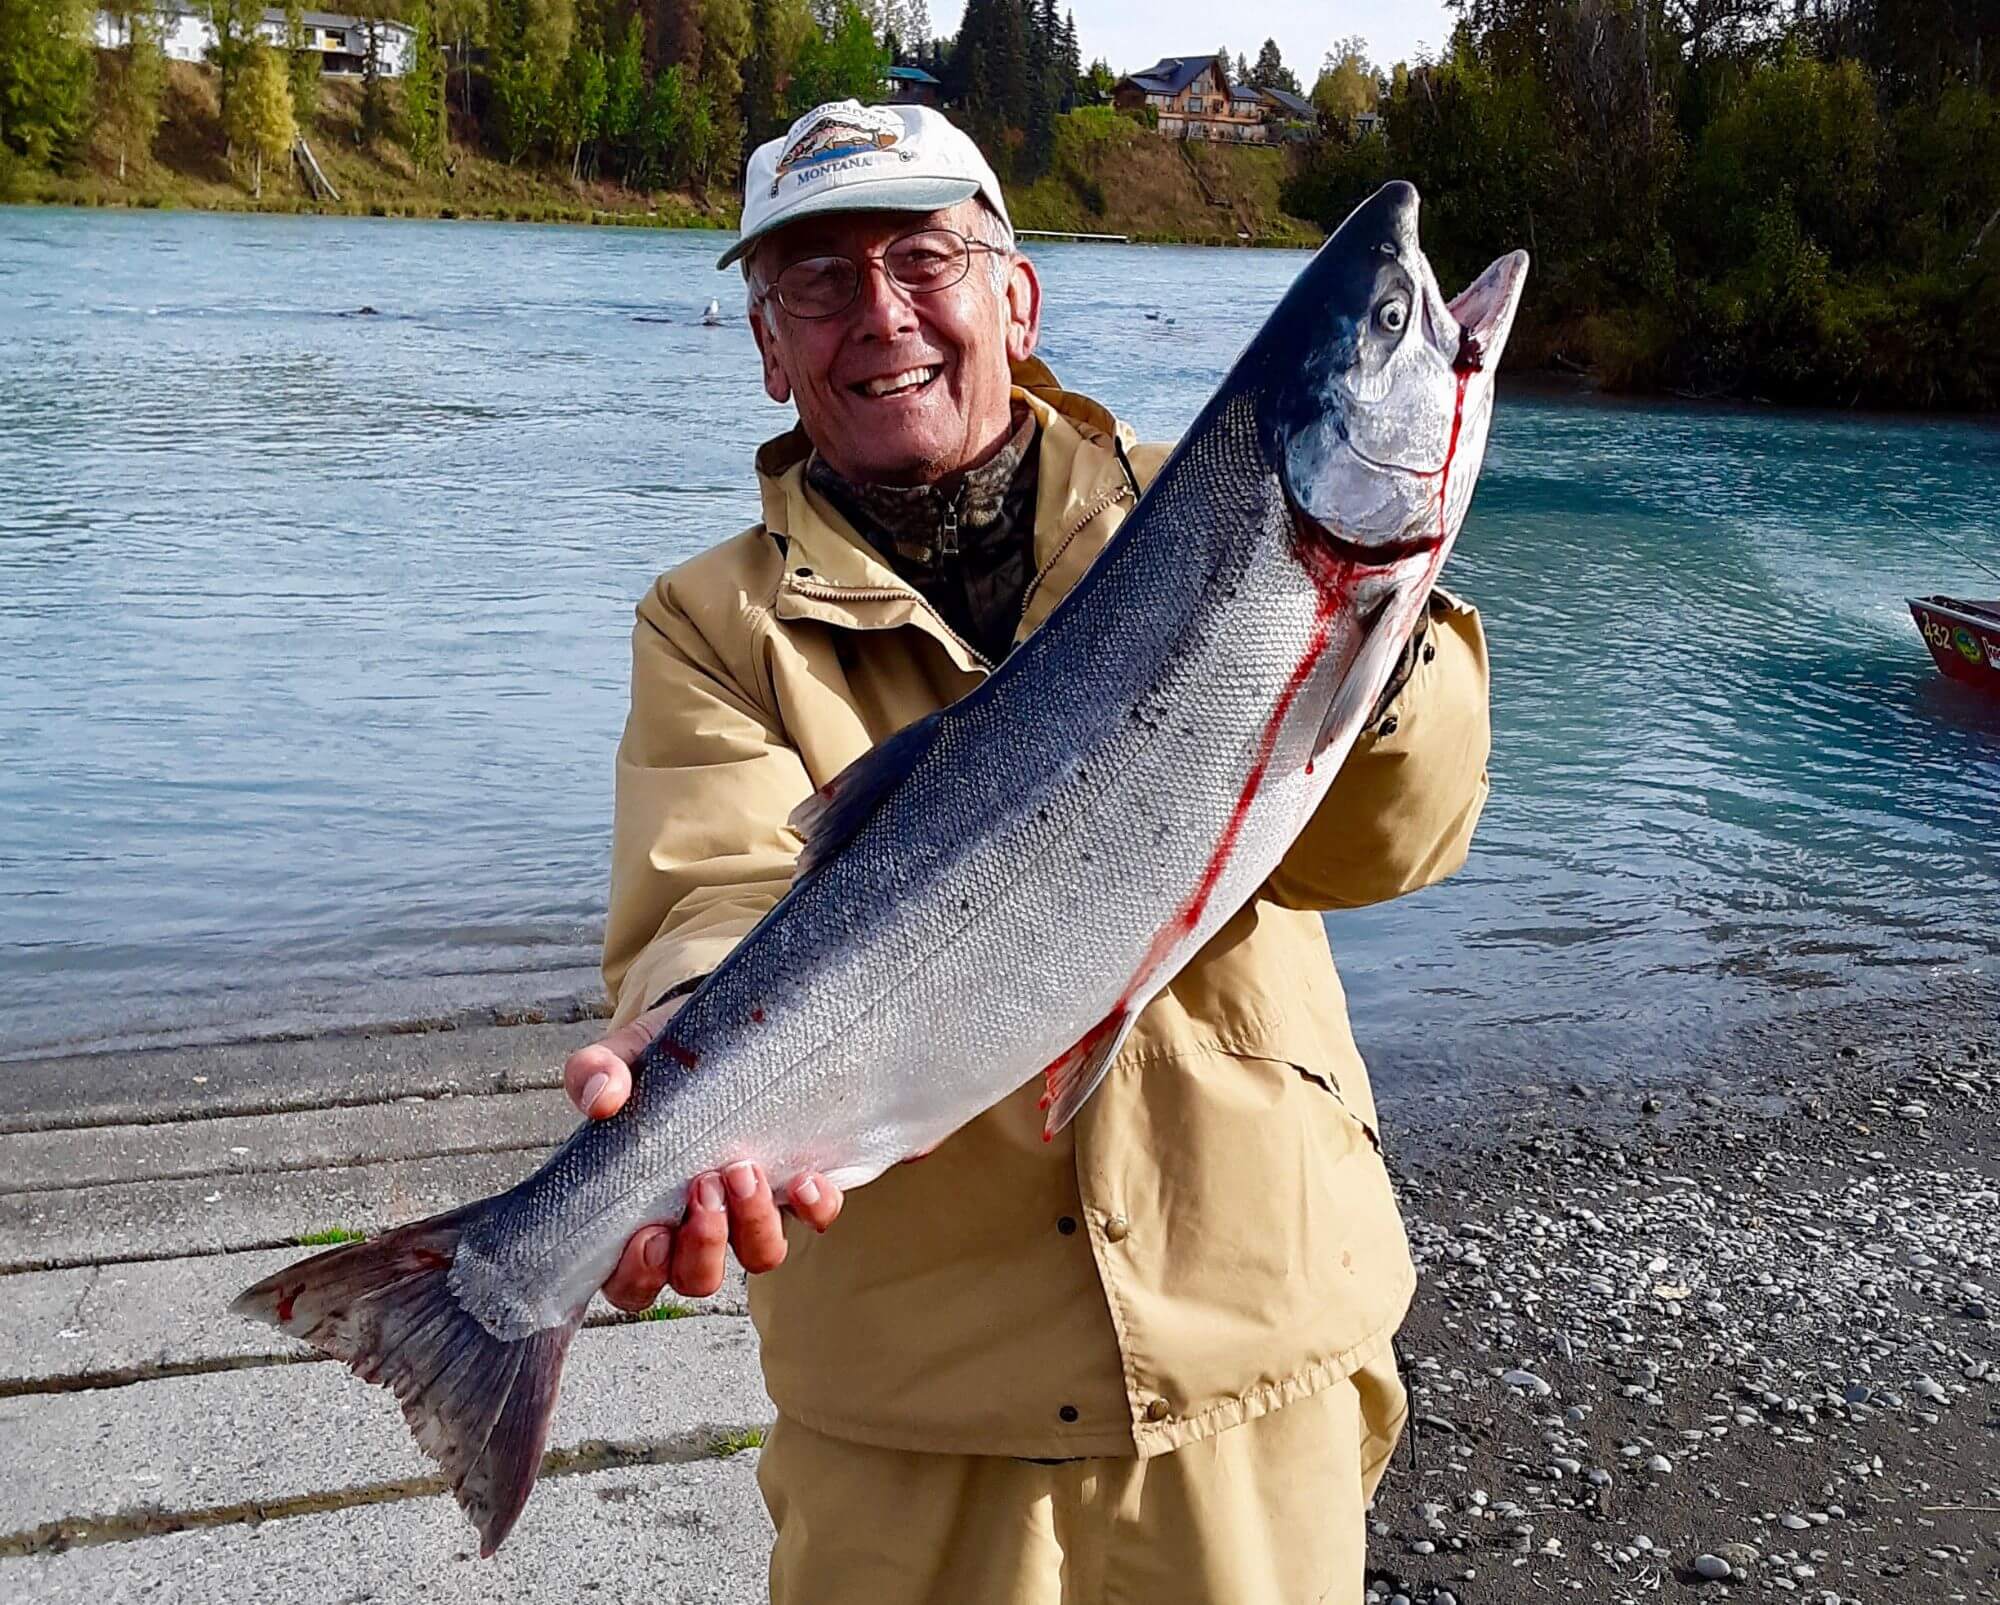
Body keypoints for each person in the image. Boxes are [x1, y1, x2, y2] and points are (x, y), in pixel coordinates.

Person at [561, 99, 1492, 1604]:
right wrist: (684, 1033)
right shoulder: (709, 623)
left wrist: (1363, 633)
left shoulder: (1211, 507)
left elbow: (1401, 833)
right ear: (767, 347)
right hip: (913, 1424)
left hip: (1250, 1353)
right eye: (817, 281)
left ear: (1016, 293)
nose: (880, 316)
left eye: (924, 258)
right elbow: (710, 888)